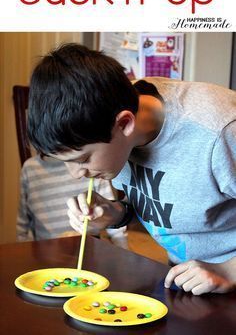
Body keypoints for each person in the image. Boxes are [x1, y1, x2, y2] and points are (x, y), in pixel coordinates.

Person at [27, 43, 236, 296]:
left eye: (83, 159)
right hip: (185, 282)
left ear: (125, 123)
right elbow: (162, 204)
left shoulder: (220, 132)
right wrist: (114, 213)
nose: (76, 174)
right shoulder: (109, 110)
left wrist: (227, 270)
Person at [17, 153, 128, 246]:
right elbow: (23, 225)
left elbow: (112, 219)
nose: (76, 174)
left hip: (90, 251)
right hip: (47, 256)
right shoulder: (29, 169)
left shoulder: (92, 164)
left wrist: (123, 253)